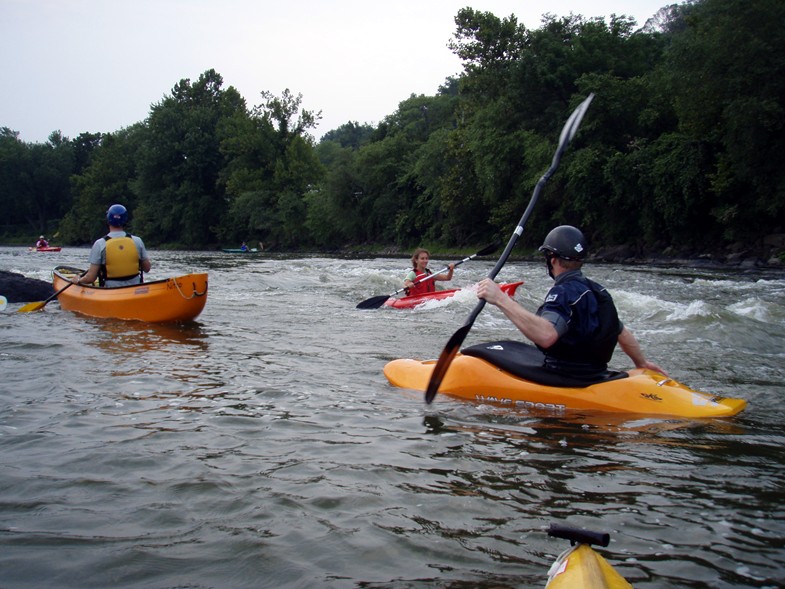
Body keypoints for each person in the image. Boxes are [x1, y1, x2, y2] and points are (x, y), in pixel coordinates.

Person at [477, 225, 667, 379]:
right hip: (595, 372)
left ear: (552, 260)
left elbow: (546, 335)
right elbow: (621, 332)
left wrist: (500, 299)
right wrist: (641, 364)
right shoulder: (599, 291)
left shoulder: (562, 292)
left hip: (566, 375)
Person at [71, 204, 151, 288]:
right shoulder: (137, 241)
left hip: (111, 292)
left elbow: (90, 278)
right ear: (125, 220)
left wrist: (78, 280)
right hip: (135, 291)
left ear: (108, 220)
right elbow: (147, 268)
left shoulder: (100, 244)